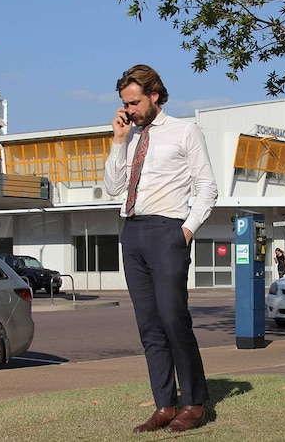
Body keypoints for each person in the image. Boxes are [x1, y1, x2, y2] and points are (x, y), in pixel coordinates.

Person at [104, 64, 218, 433]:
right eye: (125, 104)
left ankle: (194, 404)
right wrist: (118, 141)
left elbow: (207, 188)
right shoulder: (130, 137)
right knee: (149, 327)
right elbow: (112, 186)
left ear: (154, 96)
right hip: (132, 232)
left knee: (173, 319)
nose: (129, 110)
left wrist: (186, 231)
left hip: (168, 231)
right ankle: (164, 405)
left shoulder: (185, 132)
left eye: (134, 103)